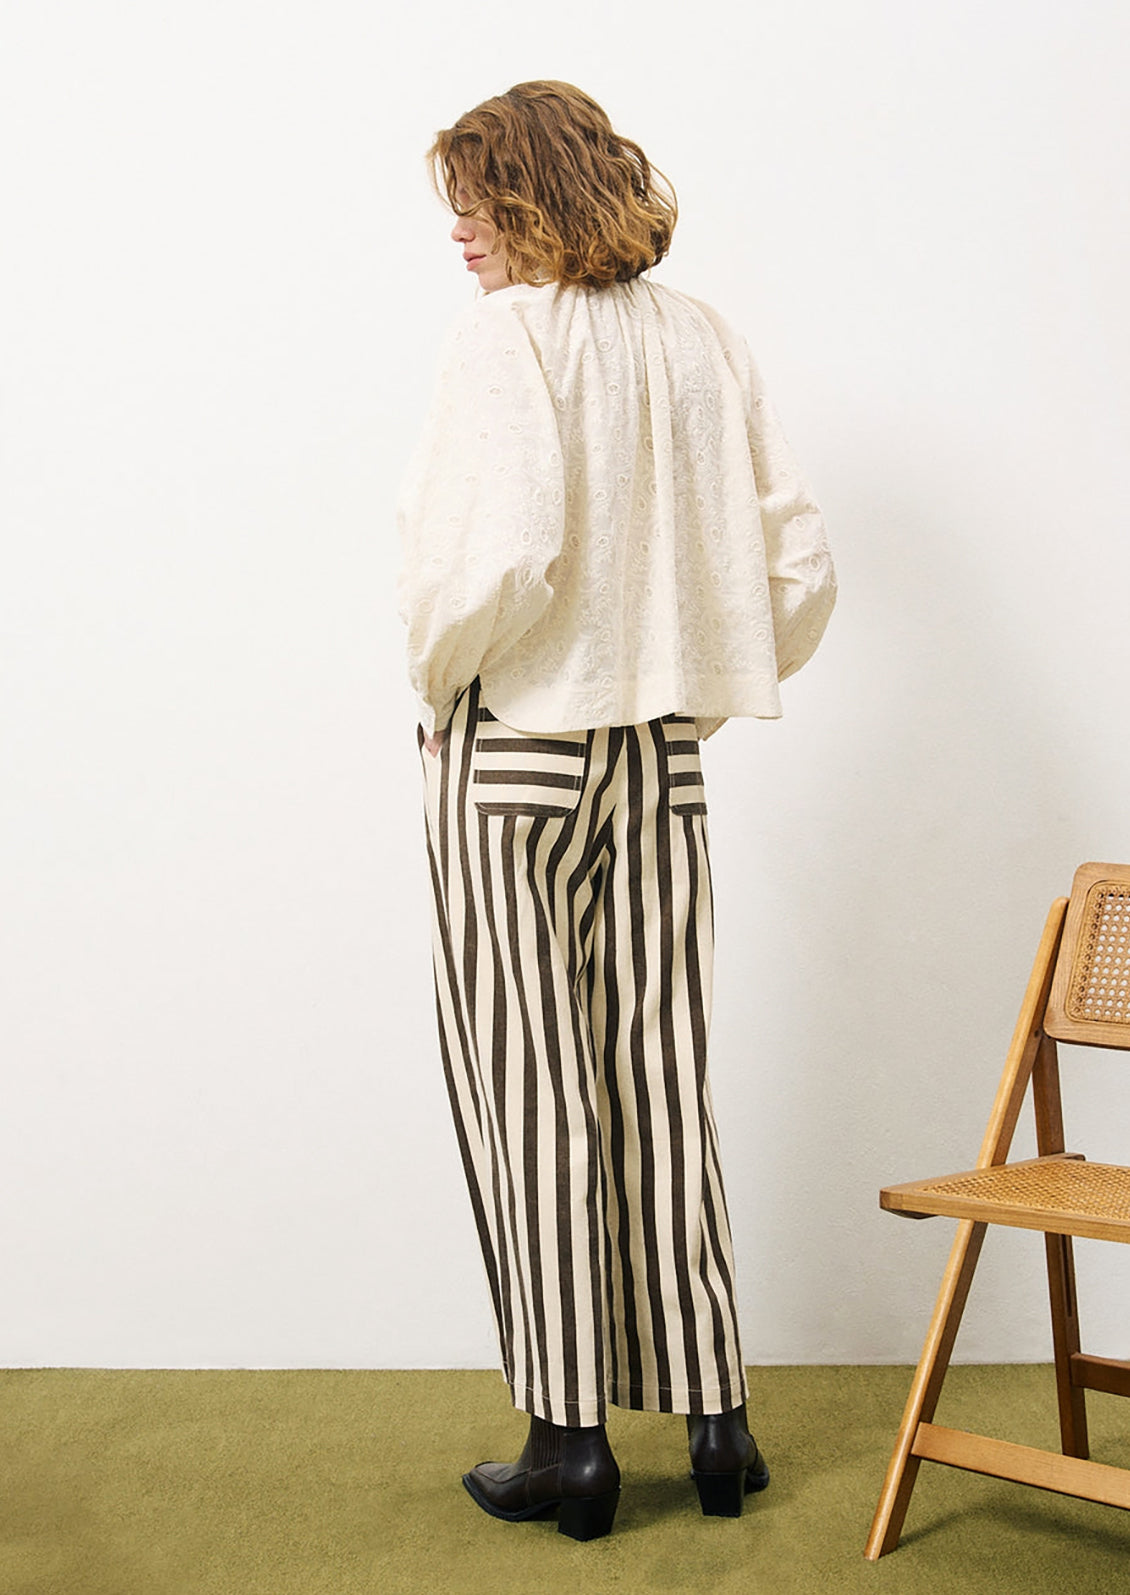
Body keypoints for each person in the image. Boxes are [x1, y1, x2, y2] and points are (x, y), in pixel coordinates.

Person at [397, 80, 835, 1541]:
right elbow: (793, 562)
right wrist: (698, 678)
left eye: (474, 198)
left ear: (524, 194)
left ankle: (568, 1441)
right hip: (659, 756)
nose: (457, 232)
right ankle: (717, 1425)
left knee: (532, 1092)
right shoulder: (704, 338)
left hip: (515, 752)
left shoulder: (502, 341)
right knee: (658, 1077)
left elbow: (494, 560)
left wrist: (437, 679)